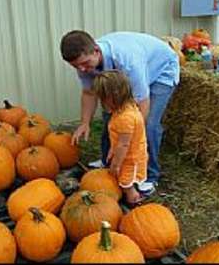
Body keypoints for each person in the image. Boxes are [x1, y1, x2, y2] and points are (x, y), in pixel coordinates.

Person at [60, 30, 180, 196]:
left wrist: (131, 136)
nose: (81, 69)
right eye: (76, 66)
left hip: (161, 71)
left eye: (85, 64)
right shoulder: (84, 62)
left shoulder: (128, 61)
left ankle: (150, 176)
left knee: (148, 126)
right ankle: (106, 161)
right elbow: (89, 93)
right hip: (136, 72)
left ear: (96, 51)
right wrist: (85, 122)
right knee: (112, 116)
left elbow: (142, 101)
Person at [92, 70, 148, 205]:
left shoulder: (126, 118)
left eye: (103, 98)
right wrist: (112, 150)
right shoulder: (126, 108)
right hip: (127, 154)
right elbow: (118, 140)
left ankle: (134, 200)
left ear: (114, 96)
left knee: (125, 183)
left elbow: (124, 145)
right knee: (124, 179)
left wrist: (116, 165)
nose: (102, 102)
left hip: (130, 158)